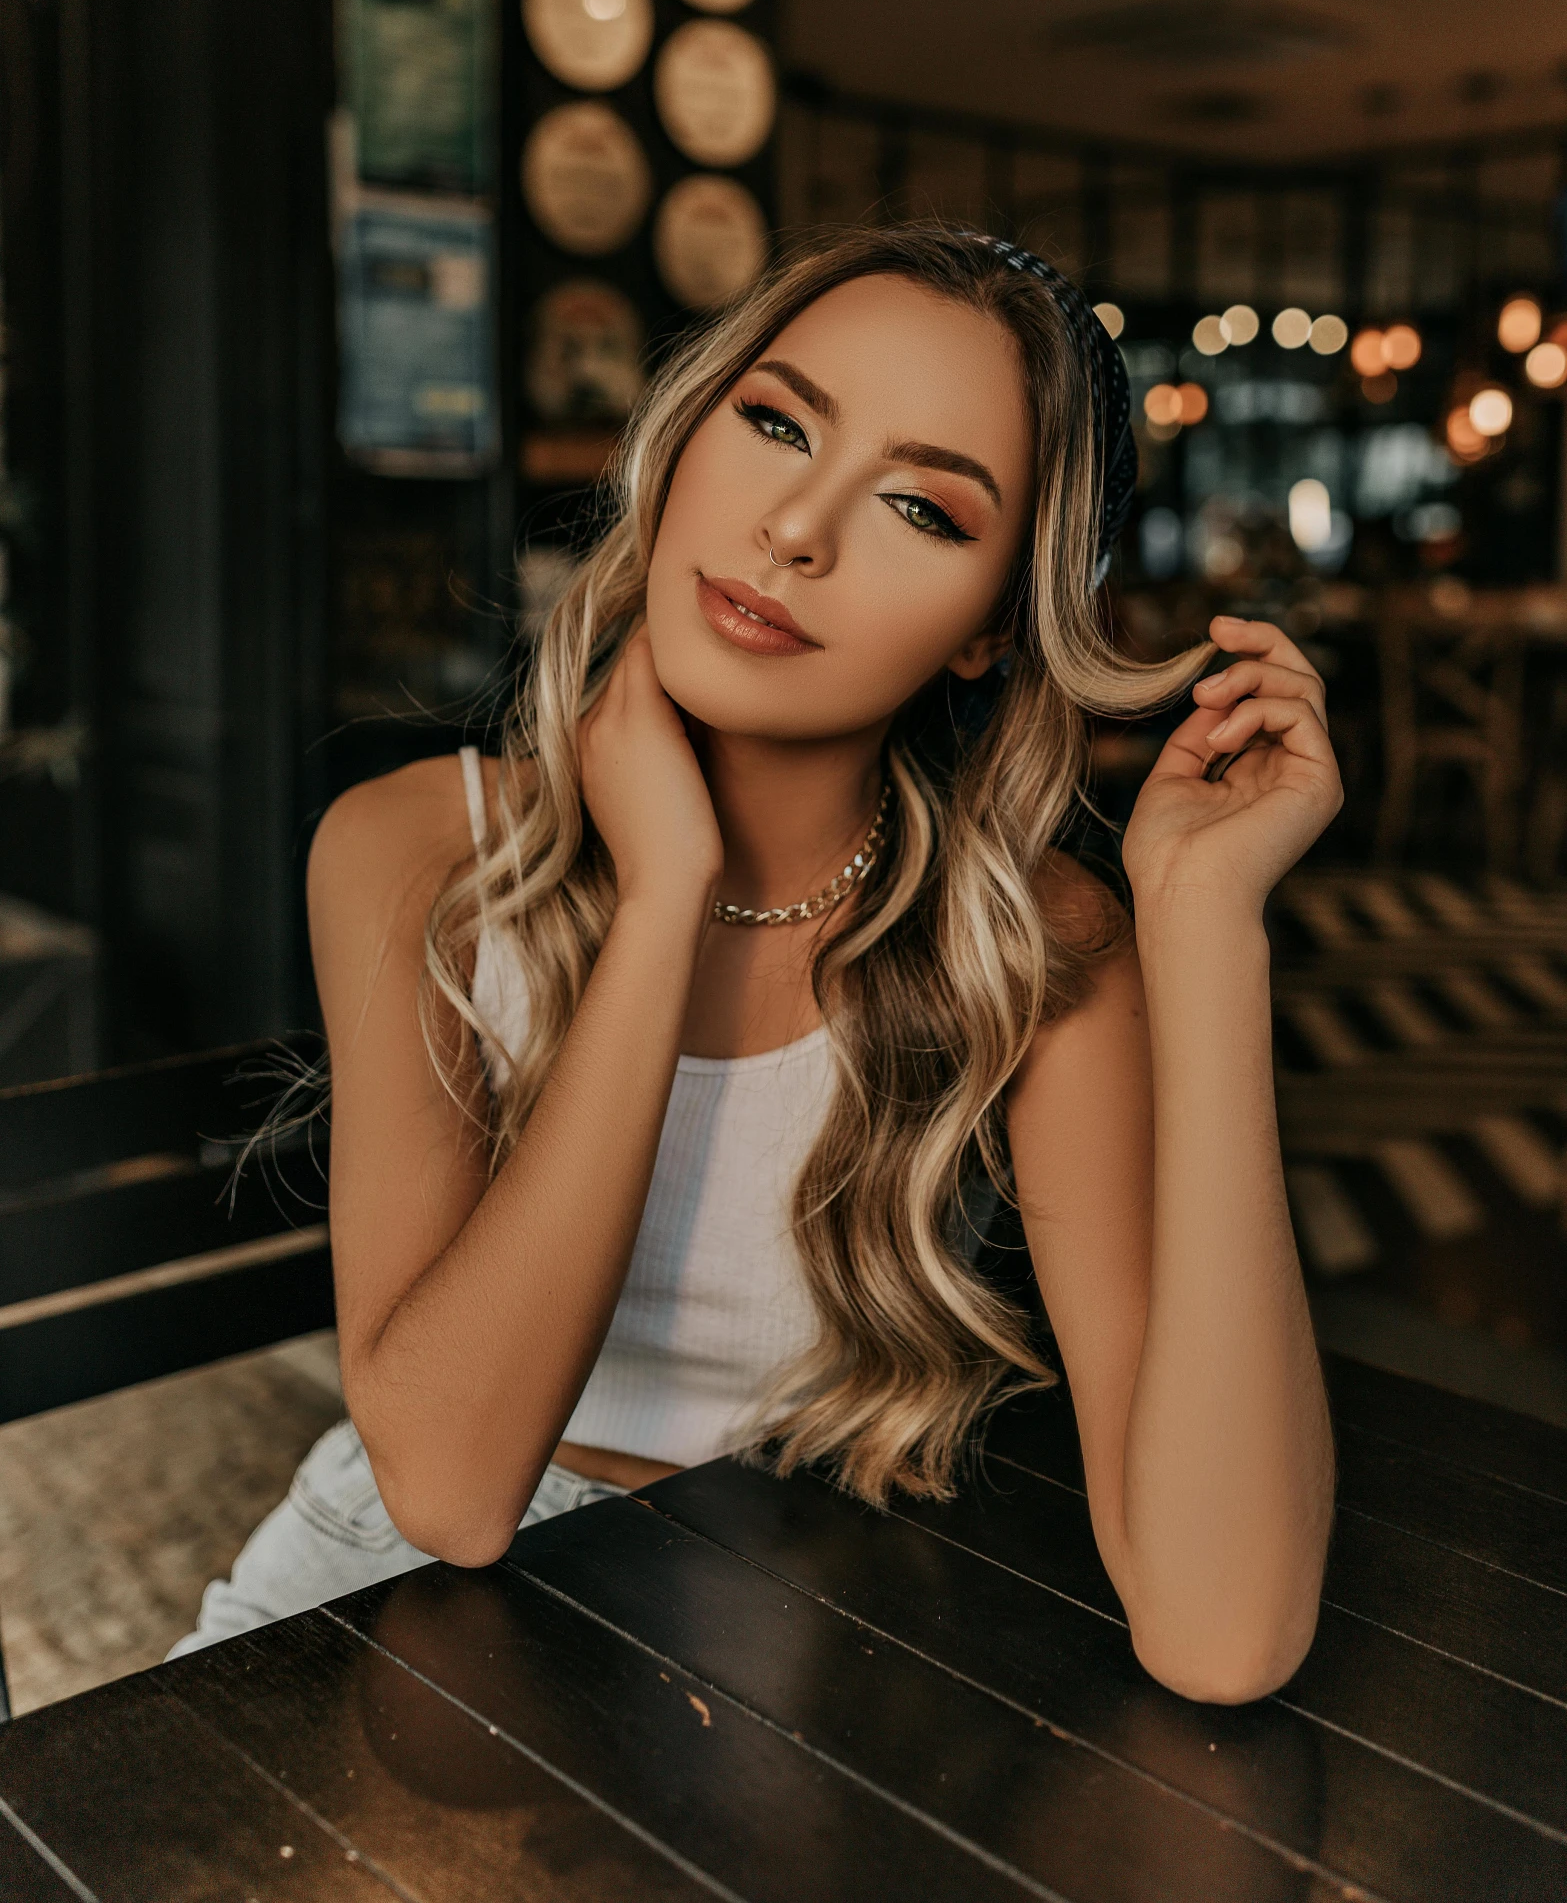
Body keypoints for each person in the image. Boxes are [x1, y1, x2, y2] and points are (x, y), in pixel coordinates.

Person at [171, 225, 1339, 1702]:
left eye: (919, 505)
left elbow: (1222, 1634)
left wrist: (1205, 926)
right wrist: (664, 895)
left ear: (989, 629)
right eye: (777, 420)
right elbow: (450, 1493)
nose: (796, 526)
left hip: (761, 1630)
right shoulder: (413, 851)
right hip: (372, 1625)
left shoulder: (1034, 945)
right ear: (683, 437)